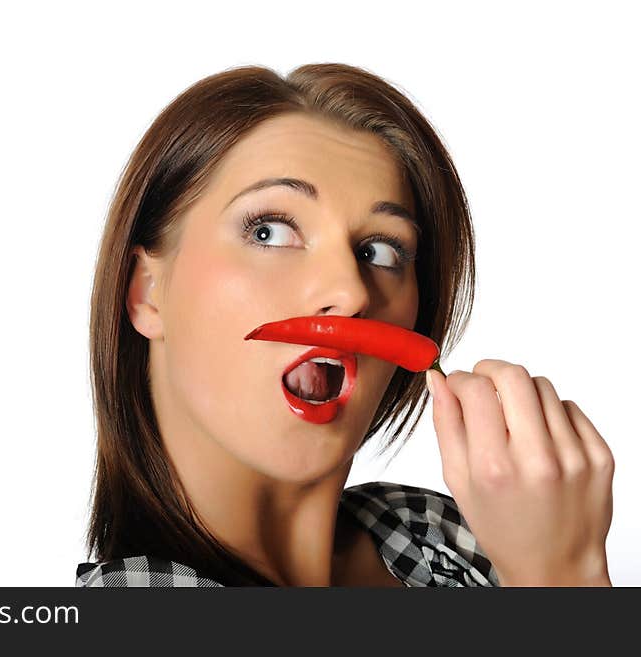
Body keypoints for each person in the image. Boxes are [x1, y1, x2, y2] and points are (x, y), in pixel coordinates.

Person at [76, 63, 615, 587]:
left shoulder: (438, 535)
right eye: (269, 231)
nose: (352, 291)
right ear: (146, 292)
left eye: (379, 250)